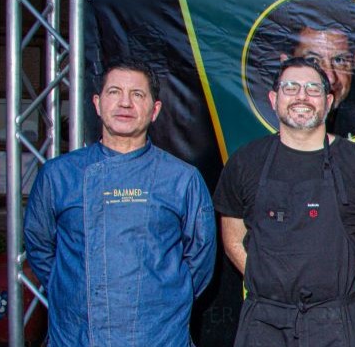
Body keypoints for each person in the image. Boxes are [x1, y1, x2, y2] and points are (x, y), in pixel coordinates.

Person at [24, 57, 216, 346]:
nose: (125, 103)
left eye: (137, 95)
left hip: (158, 335)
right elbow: (39, 247)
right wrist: (75, 291)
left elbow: (200, 258)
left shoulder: (182, 179)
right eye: (115, 92)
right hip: (78, 335)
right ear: (98, 104)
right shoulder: (58, 175)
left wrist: (162, 298)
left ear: (155, 110)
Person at [214, 59, 355, 346]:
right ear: (273, 99)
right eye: (290, 87)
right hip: (264, 324)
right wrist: (270, 284)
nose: (301, 96)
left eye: (312, 89)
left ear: (329, 102)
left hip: (341, 324)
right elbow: (232, 235)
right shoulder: (245, 162)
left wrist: (350, 291)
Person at [285, 23, 355, 138]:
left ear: (354, 63)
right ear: (286, 63)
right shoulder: (260, 149)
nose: (331, 78)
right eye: (313, 61)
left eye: (339, 60)